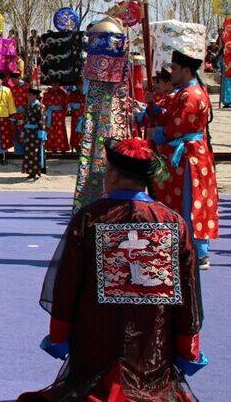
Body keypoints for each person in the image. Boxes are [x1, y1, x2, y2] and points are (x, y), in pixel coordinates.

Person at [19, 137, 206, 401]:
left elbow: (67, 284)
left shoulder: (89, 218)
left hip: (96, 344)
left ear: (114, 175)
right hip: (152, 349)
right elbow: (188, 293)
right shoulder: (173, 223)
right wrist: (188, 349)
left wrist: (60, 335)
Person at [148, 50, 219, 270]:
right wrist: (152, 108)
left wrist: (158, 134)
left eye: (175, 69)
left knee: (190, 202)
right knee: (180, 200)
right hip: (184, 154)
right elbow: (166, 114)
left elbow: (177, 126)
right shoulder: (182, 93)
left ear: (186, 70)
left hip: (190, 158)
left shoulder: (192, 95)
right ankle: (183, 247)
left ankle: (195, 251)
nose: (172, 72)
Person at [22, 87, 47, 180]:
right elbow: (25, 119)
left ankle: (37, 171)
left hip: (36, 133)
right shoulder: (28, 106)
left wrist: (41, 132)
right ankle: (30, 171)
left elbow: (42, 120)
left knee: (36, 152)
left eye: (29, 95)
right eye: (28, 95)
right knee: (28, 152)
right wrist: (23, 130)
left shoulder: (40, 106)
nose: (28, 96)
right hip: (28, 132)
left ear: (35, 96)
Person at [42, 81, 70, 154]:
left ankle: (62, 148)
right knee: (51, 131)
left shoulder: (63, 92)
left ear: (59, 84)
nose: (54, 85)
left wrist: (64, 113)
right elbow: (44, 104)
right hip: (50, 114)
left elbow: (66, 104)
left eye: (56, 83)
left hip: (60, 115)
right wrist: (45, 114)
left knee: (61, 131)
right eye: (53, 83)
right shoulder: (47, 92)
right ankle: (53, 148)